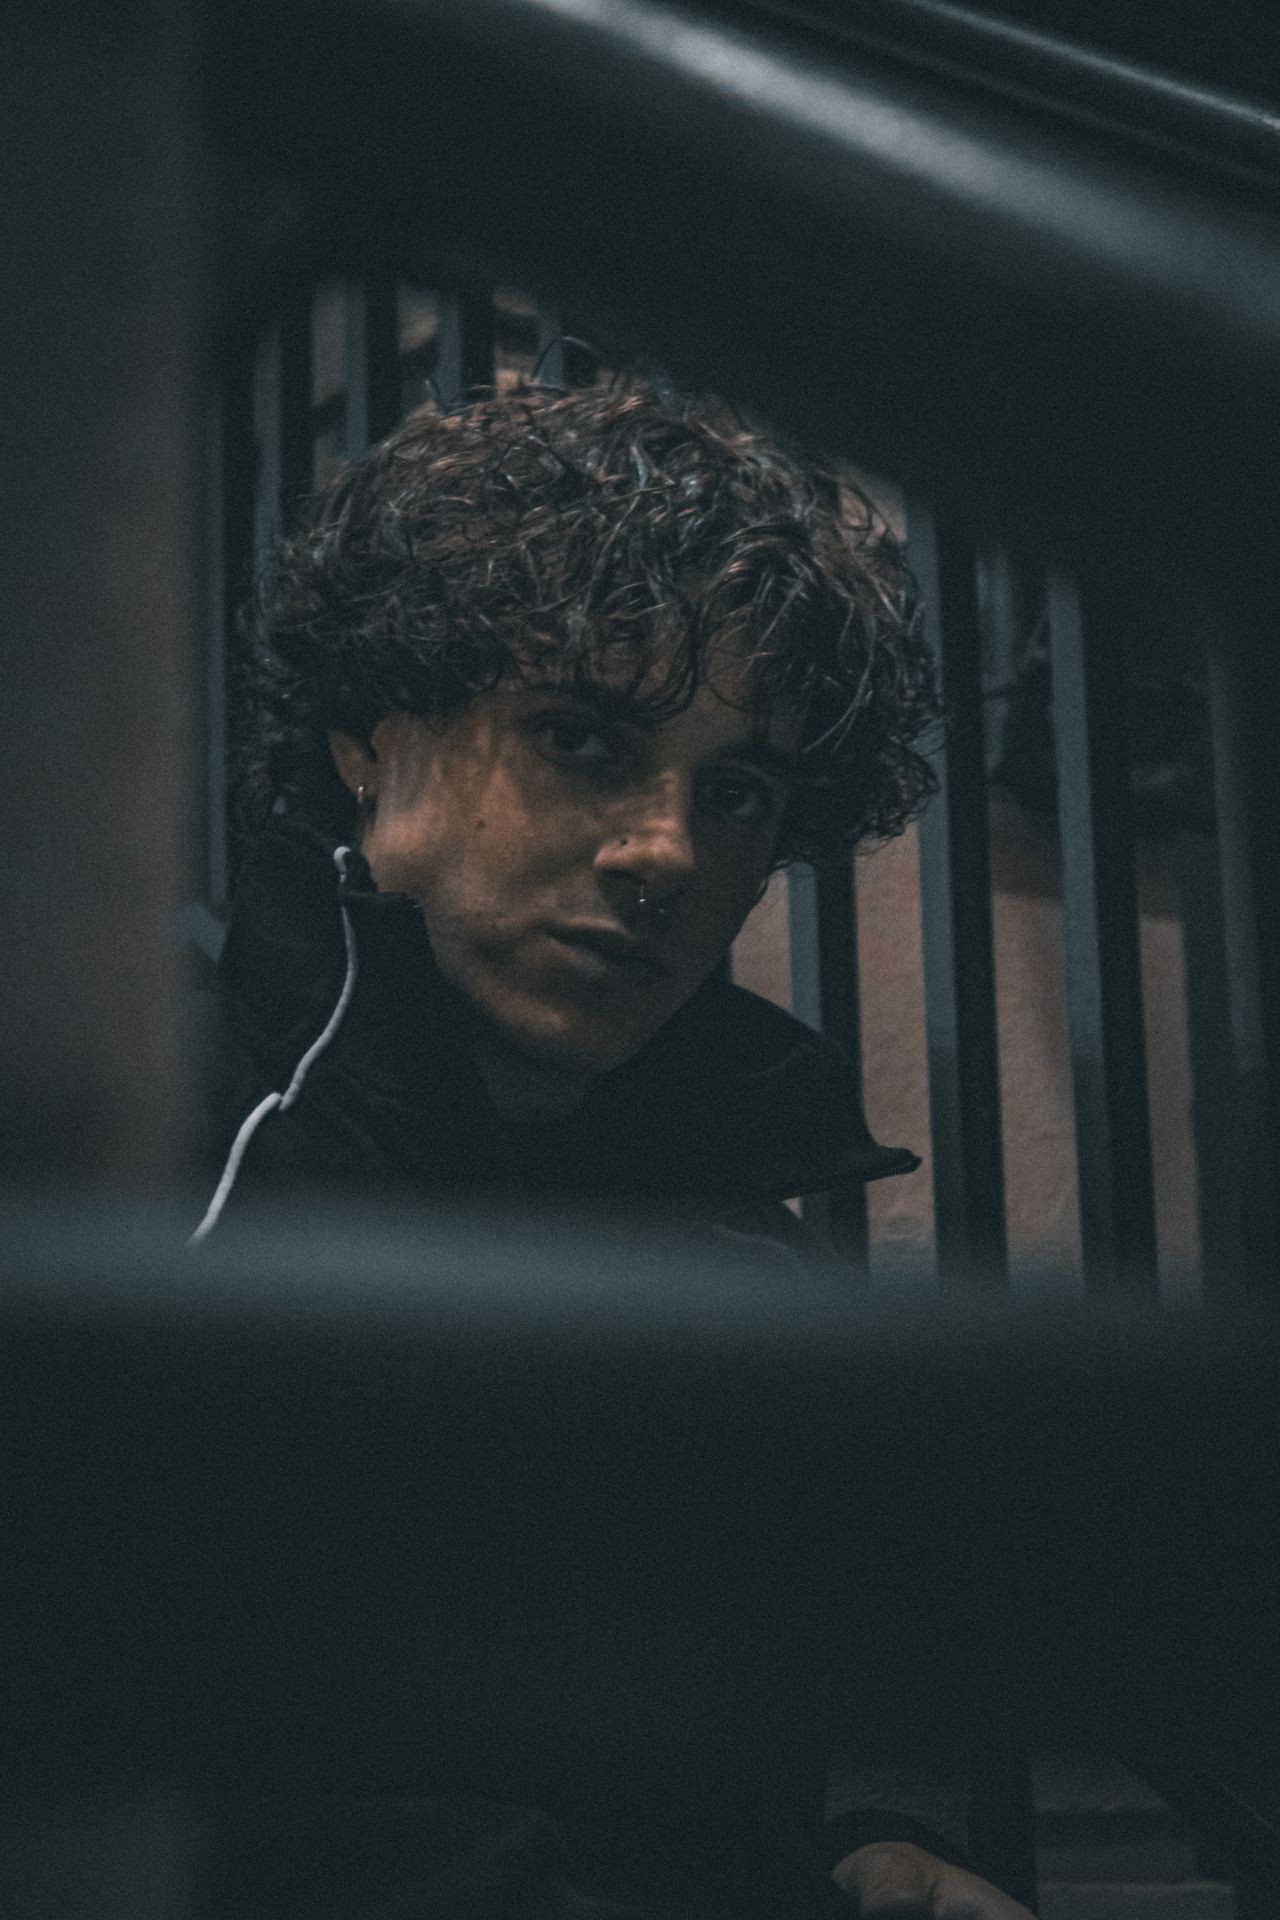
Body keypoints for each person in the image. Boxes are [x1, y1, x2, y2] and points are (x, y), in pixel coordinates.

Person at [196, 378, 1033, 1919]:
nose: (670, 851)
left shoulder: (733, 1221)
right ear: (371, 738)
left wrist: (855, 1851)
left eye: (738, 791)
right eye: (580, 735)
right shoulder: (172, 1140)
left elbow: (709, 1734)